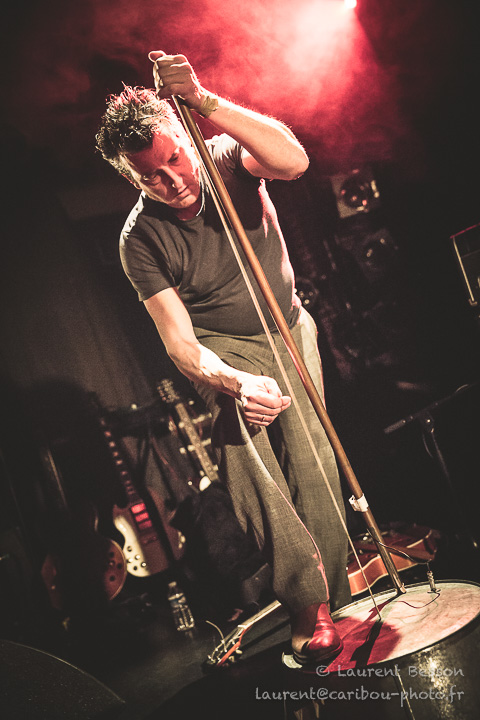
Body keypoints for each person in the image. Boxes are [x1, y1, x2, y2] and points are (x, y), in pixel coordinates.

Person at [96, 51, 351, 664]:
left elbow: (294, 161)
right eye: (151, 177)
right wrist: (236, 384)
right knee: (248, 456)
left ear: (186, 136)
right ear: (132, 180)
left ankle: (336, 596)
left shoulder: (228, 157)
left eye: (175, 158)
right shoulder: (139, 240)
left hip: (287, 326)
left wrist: (204, 98)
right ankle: (306, 603)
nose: (173, 180)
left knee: (314, 461)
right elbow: (180, 343)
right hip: (224, 349)